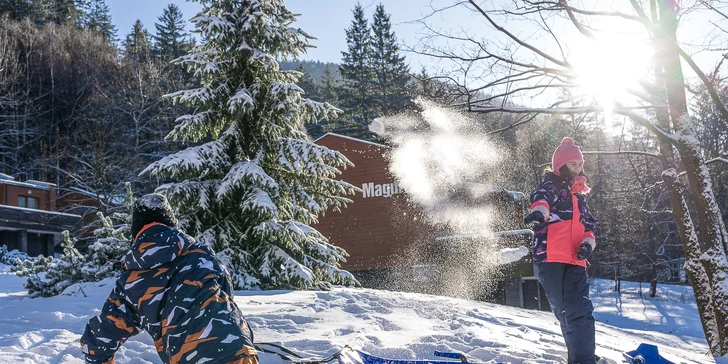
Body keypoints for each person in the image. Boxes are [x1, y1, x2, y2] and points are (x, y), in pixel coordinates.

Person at [80, 193, 259, 364]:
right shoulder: (203, 256)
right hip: (239, 351)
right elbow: (227, 293)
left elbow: (100, 335)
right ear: (172, 225)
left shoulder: (131, 280)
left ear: (136, 234)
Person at [524, 137, 597, 364]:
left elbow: (589, 227)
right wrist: (539, 212)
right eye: (574, 164)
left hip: (576, 259)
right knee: (566, 313)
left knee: (580, 311)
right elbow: (541, 200)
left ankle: (584, 360)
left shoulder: (579, 197)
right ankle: (578, 358)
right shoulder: (552, 187)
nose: (578, 168)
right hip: (551, 257)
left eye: (580, 164)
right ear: (560, 165)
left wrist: (587, 244)